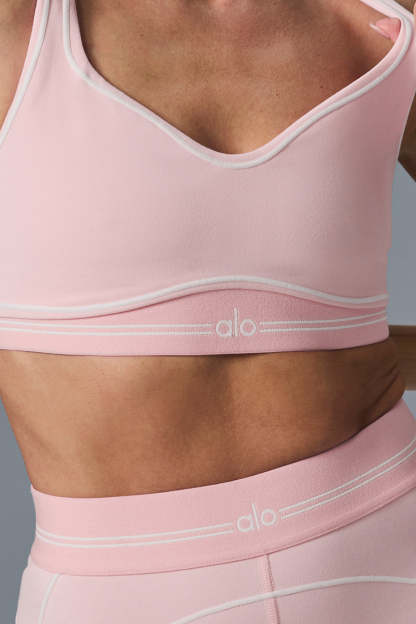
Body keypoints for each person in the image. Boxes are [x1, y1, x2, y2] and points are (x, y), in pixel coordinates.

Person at [0, 0, 416, 621]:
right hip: (122, 589)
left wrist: (371, 351)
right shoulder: (23, 27)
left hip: (390, 546)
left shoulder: (381, 22)